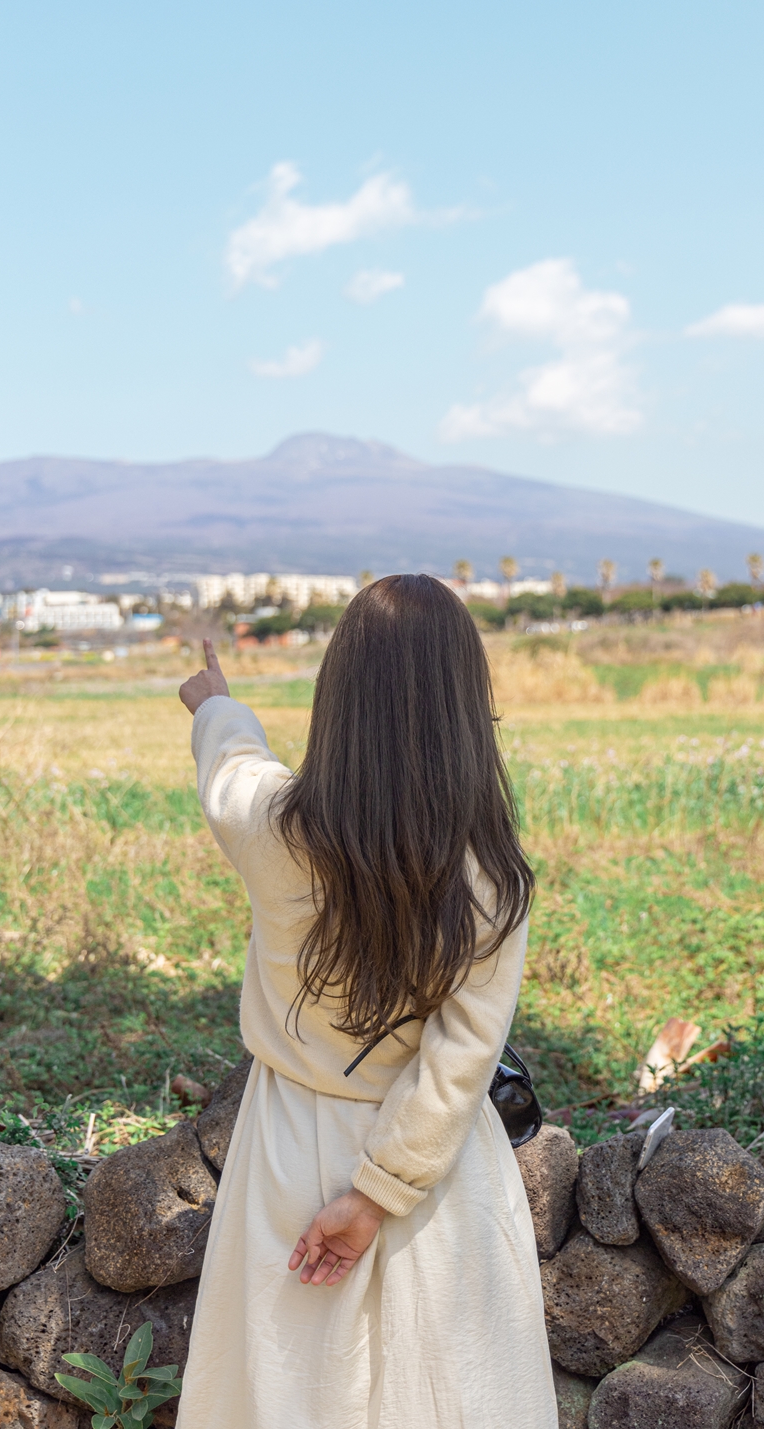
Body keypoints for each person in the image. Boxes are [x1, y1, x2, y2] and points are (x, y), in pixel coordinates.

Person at [174, 574, 558, 1429]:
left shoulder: (275, 827)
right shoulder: (489, 875)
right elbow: (460, 1063)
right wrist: (378, 1194)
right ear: (467, 702)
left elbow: (231, 771)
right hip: (435, 1175)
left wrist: (215, 704)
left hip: (285, 1147)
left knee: (288, 1388)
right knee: (449, 1388)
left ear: (338, 695)